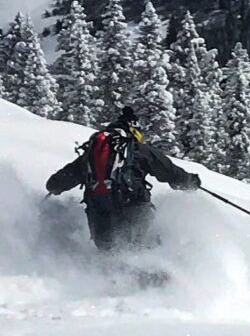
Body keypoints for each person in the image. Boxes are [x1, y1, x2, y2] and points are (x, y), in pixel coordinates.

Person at [45, 107, 201, 252]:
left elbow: (58, 181)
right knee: (146, 251)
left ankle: (104, 280)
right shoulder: (137, 150)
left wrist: (54, 188)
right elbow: (169, 171)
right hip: (134, 209)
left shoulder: (91, 154)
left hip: (99, 215)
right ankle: (159, 278)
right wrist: (191, 182)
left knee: (110, 256)